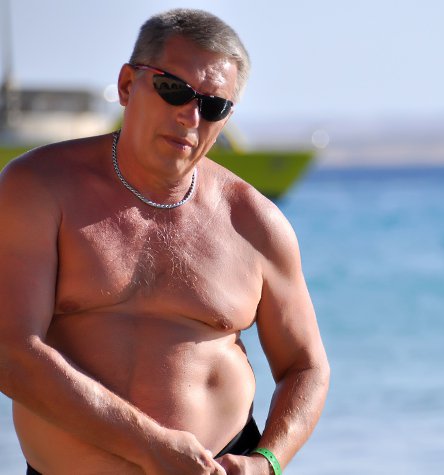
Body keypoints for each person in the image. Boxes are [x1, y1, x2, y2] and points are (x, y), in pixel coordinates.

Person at [0, 8, 329, 475]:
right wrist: (149, 445)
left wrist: (266, 462)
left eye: (213, 106)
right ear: (127, 85)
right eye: (174, 89)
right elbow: (11, 352)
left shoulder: (255, 222)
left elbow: (306, 367)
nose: (190, 116)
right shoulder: (38, 187)